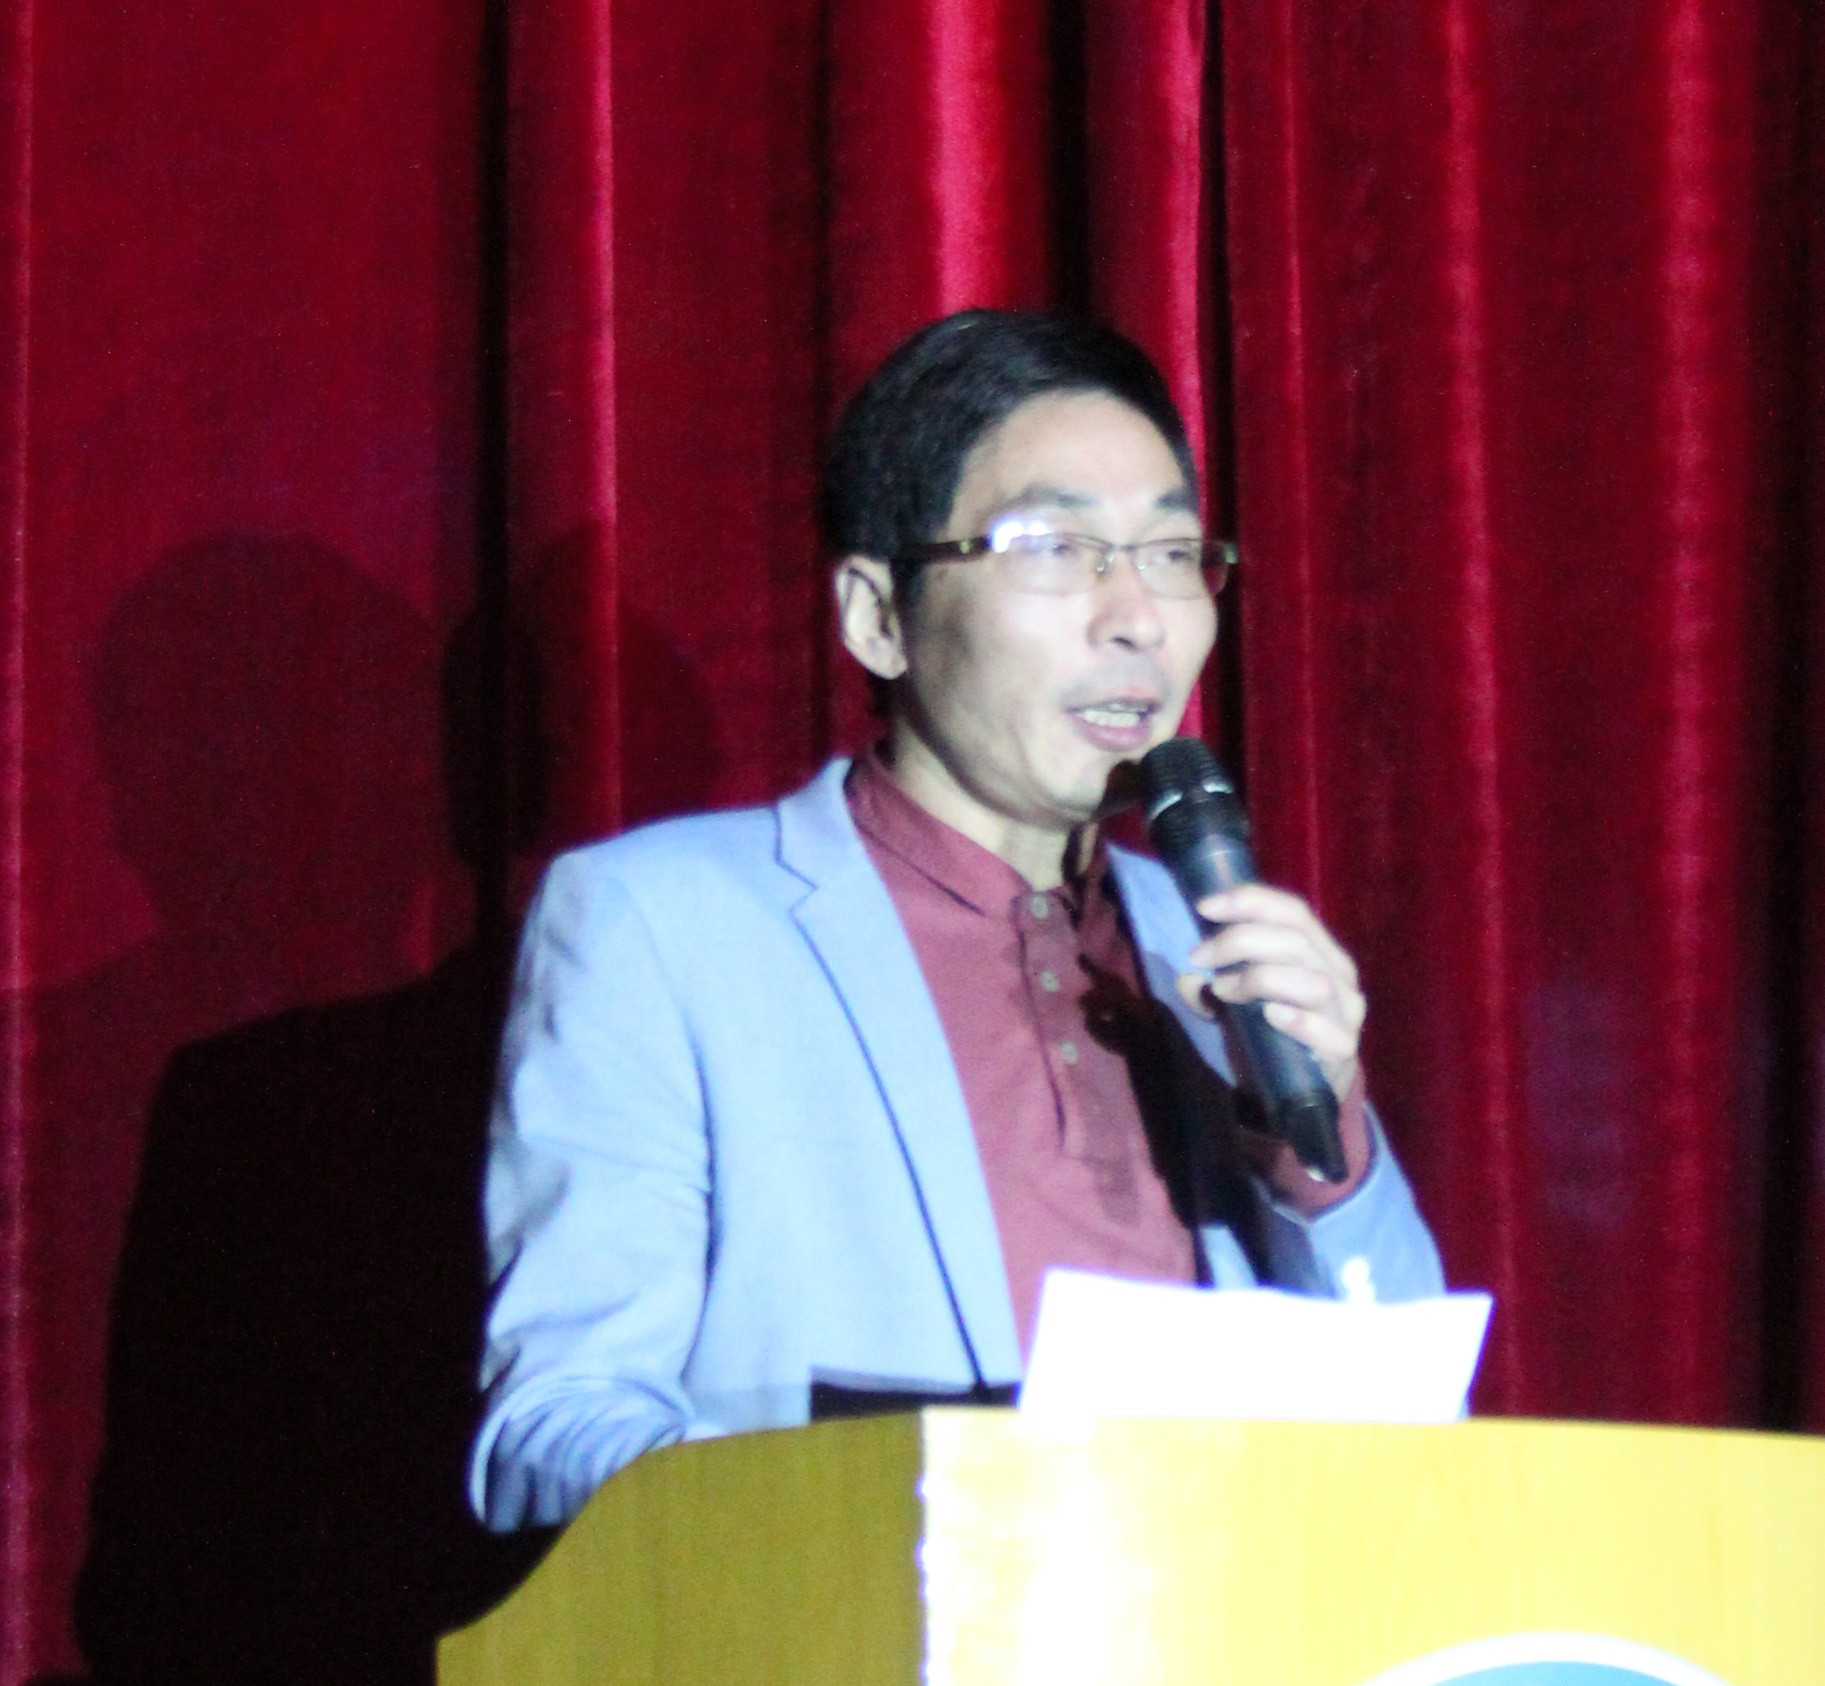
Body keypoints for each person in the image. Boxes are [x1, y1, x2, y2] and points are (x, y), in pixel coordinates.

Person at [468, 311, 1444, 1532]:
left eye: (1171, 551)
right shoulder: (660, 925)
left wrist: (1319, 1134)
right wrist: (890, 1514)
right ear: (877, 615)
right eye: (1058, 548)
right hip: (863, 1631)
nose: (1139, 616)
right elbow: (554, 1429)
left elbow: (1419, 1446)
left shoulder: (1210, 939)